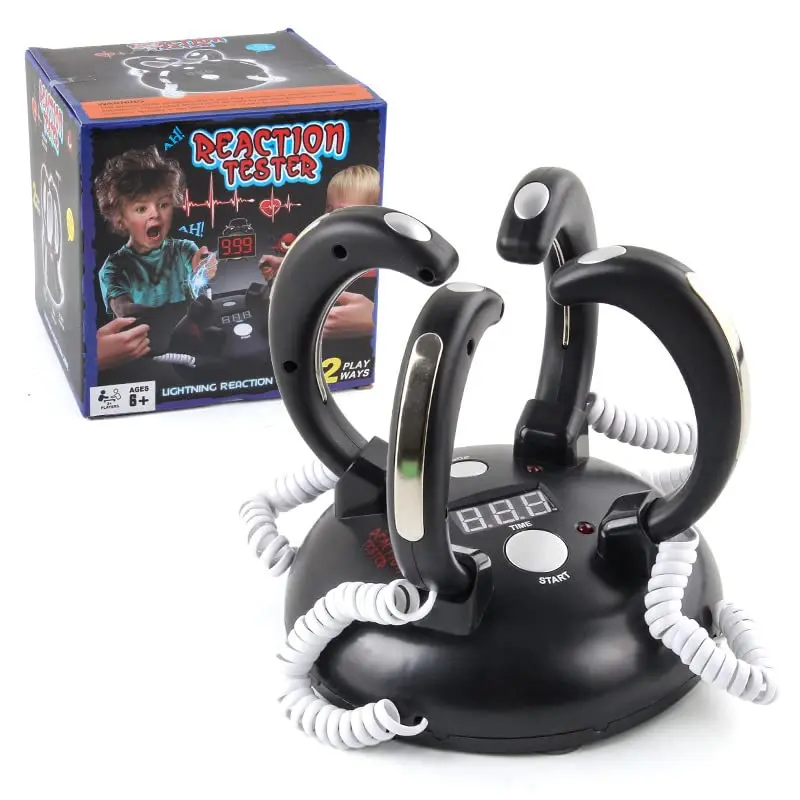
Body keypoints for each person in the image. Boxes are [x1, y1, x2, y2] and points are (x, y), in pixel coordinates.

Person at [94, 146, 217, 345]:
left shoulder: (184, 249)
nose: (155, 214)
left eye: (163, 205)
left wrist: (202, 267)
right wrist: (175, 314)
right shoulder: (113, 268)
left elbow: (199, 272)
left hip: (189, 342)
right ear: (120, 220)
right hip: (144, 348)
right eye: (141, 208)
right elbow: (124, 310)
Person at [259, 164, 379, 338]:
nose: (329, 220)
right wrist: (285, 267)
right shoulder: (329, 255)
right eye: (329, 210)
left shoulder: (388, 274)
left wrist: (374, 321)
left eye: (343, 212)